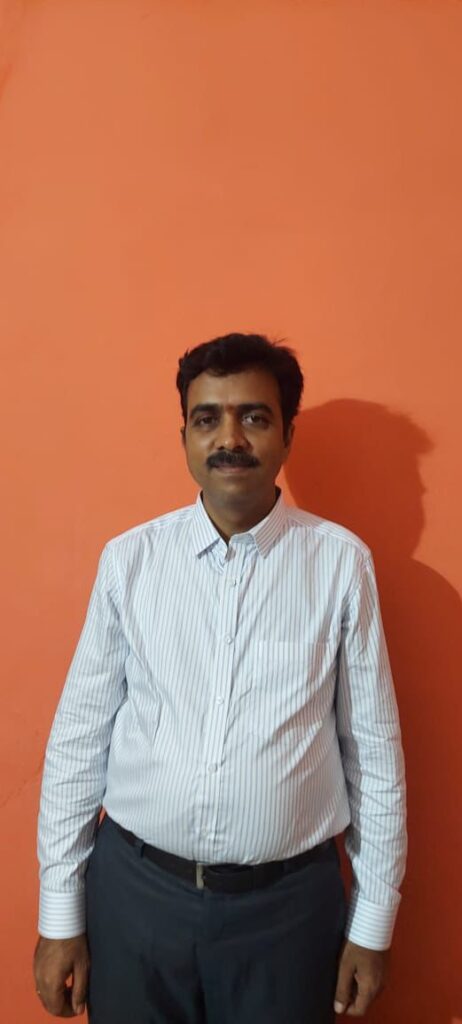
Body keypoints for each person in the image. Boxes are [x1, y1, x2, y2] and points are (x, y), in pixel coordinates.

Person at [34, 333, 407, 1023]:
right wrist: (60, 915)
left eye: (254, 417)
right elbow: (79, 741)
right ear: (184, 436)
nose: (229, 438)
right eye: (207, 418)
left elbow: (374, 753)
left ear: (287, 435)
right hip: (135, 900)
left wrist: (373, 922)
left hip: (288, 914)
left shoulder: (339, 566)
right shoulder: (130, 562)